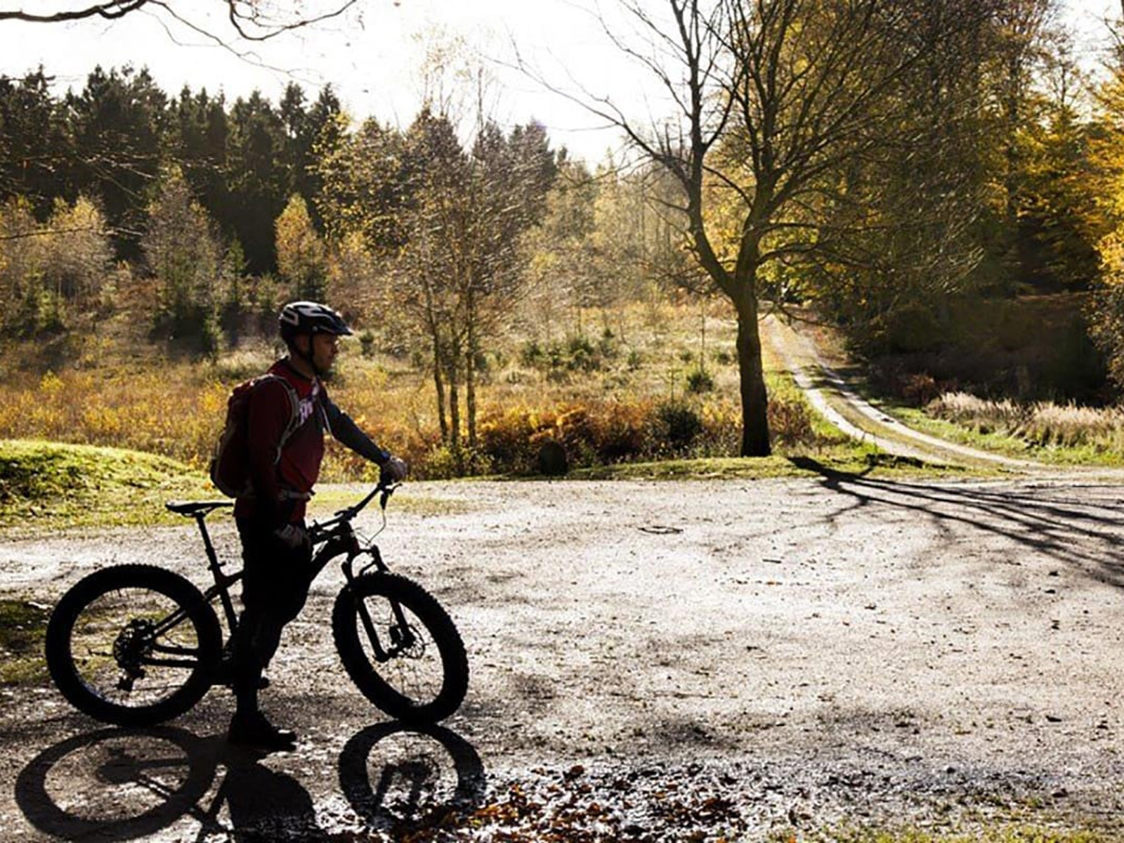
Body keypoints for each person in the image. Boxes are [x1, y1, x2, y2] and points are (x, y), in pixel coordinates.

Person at [227, 301, 407, 751]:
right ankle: (245, 720)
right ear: (302, 342)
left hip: (291, 512)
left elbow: (340, 426)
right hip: (266, 514)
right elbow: (261, 460)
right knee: (266, 612)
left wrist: (382, 458)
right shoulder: (275, 390)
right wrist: (274, 524)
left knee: (278, 605)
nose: (335, 350)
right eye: (329, 341)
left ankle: (244, 658)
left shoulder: (309, 388)